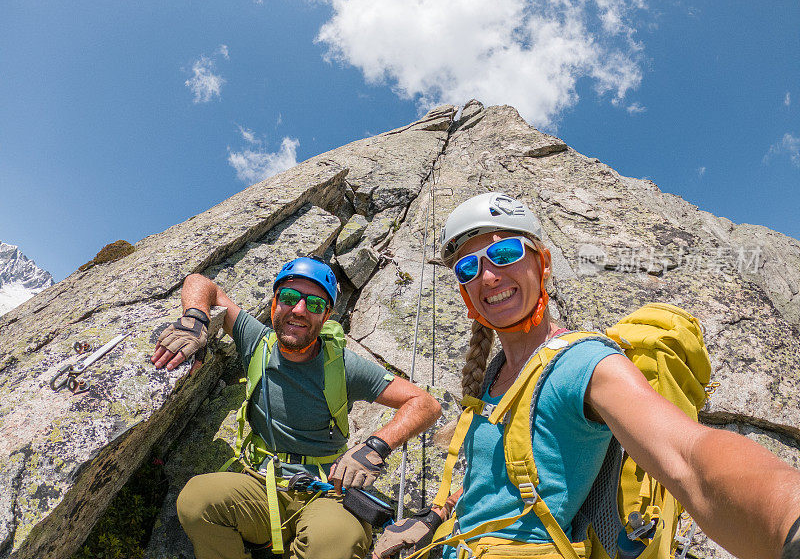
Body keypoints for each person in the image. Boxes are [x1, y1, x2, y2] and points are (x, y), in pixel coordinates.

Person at [372, 192, 800, 559]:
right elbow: (491, 489)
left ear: (543, 264)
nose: (487, 275)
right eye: (468, 268)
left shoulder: (584, 362)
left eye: (505, 254)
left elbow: (688, 454)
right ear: (465, 293)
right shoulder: (494, 377)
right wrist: (433, 518)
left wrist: (788, 519)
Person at [150, 256, 442, 559]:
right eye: (289, 297)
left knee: (336, 542)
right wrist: (194, 318)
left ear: (326, 316)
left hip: (326, 491)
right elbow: (200, 282)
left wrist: (375, 447)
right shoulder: (257, 342)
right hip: (261, 483)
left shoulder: (341, 365)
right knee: (197, 500)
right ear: (275, 303)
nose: (299, 310)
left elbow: (425, 403)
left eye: (315, 304)